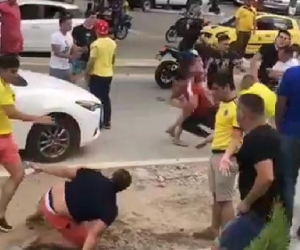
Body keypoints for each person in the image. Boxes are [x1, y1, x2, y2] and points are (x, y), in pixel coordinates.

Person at [212, 93, 284, 250]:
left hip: (259, 212)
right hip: (274, 210)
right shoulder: (271, 134)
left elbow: (266, 177)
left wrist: (247, 202)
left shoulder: (257, 138)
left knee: (221, 246)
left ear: (242, 113)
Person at [0, 55, 53, 231]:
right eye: (13, 71)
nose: (15, 75)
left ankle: (0, 214)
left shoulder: (5, 84)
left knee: (17, 173)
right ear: (3, 70)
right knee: (17, 174)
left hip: (5, 137)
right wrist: (38, 119)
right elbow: (12, 113)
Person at [25, 165, 132, 249]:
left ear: (112, 176)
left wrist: (42, 168)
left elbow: (64, 171)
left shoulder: (93, 174)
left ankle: (36, 216)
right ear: (122, 189)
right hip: (54, 214)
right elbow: (93, 235)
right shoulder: (111, 209)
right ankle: (42, 240)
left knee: (62, 193)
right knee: (81, 242)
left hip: (47, 196)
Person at [193, 74, 242, 240]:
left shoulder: (236, 107)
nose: (212, 93)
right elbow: (222, 130)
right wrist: (206, 140)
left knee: (225, 199)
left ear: (227, 87)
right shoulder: (223, 105)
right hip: (217, 153)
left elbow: (236, 135)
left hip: (225, 156)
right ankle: (214, 229)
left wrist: (227, 157)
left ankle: (230, 238)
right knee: (217, 196)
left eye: (216, 89)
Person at [276, 65, 300, 224]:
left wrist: (279, 127)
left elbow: (280, 104)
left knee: (287, 179)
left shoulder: (292, 74)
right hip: (290, 133)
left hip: (290, 132)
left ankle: (286, 222)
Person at [166, 50, 206, 146]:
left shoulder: (184, 69)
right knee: (185, 118)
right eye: (196, 58)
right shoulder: (192, 70)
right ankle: (176, 138)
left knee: (184, 115)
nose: (198, 59)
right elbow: (190, 86)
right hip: (190, 96)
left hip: (188, 95)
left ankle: (172, 129)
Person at [86, 20, 117, 129]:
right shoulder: (112, 43)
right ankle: (107, 121)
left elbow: (91, 61)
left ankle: (97, 122)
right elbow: (113, 59)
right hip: (108, 74)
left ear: (96, 31)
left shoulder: (95, 44)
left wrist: (87, 73)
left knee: (95, 99)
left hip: (97, 74)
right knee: (105, 98)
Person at [49, 14, 80, 82]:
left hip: (66, 66)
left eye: (71, 24)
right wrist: (71, 57)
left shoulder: (69, 35)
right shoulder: (56, 36)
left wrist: (77, 50)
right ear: (62, 24)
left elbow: (72, 46)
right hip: (56, 67)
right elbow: (57, 53)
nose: (70, 26)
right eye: (68, 24)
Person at [71, 11, 97, 82]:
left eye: (95, 18)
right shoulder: (77, 29)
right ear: (87, 18)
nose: (94, 20)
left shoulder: (95, 31)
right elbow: (72, 42)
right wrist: (78, 49)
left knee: (89, 79)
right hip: (79, 59)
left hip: (90, 58)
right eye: (92, 17)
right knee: (75, 77)